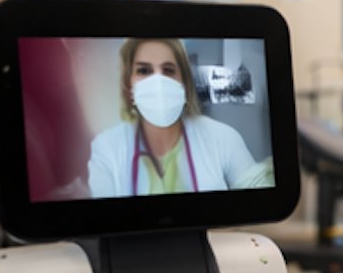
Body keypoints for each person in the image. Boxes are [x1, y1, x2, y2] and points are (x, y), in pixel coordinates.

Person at [88, 37, 273, 197]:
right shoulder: (107, 148)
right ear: (129, 86)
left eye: (168, 70)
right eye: (144, 71)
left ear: (184, 84)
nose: (158, 82)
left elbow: (259, 198)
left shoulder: (223, 138)